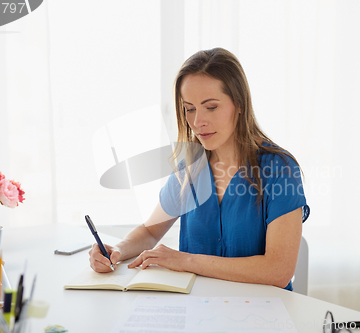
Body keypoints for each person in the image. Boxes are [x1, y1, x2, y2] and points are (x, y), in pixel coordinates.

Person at [89, 47, 309, 291]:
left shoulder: (280, 170)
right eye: (190, 109)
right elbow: (150, 232)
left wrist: (186, 261)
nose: (197, 122)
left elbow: (277, 271)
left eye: (211, 107)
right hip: (198, 310)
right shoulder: (189, 168)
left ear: (239, 104)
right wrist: (118, 250)